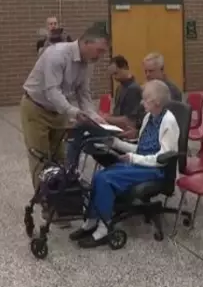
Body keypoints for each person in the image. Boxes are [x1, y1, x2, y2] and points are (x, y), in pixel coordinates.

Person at [69, 80, 180, 248]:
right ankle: (92, 220)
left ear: (156, 102)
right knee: (99, 175)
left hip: (156, 170)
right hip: (142, 164)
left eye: (145, 99)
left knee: (106, 179)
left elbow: (163, 157)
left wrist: (133, 158)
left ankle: (103, 229)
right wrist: (116, 143)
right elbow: (141, 148)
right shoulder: (149, 118)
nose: (142, 102)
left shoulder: (169, 122)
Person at [21, 26, 108, 195]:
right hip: (36, 107)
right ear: (86, 42)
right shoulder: (57, 55)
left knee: (60, 157)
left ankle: (61, 200)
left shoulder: (87, 63)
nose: (100, 56)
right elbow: (52, 91)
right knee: (41, 158)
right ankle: (46, 201)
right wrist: (74, 112)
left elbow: (83, 93)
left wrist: (93, 116)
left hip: (59, 110)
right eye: (99, 50)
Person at [64, 55, 142, 169]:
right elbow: (118, 115)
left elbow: (129, 121)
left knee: (83, 127)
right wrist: (104, 117)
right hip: (114, 127)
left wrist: (104, 118)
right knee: (83, 127)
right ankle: (71, 165)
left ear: (125, 67)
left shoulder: (134, 89)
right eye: (112, 75)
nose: (115, 78)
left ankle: (69, 167)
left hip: (123, 131)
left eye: (116, 73)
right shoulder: (120, 88)